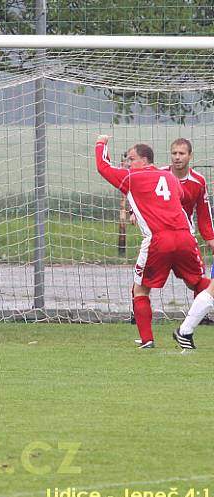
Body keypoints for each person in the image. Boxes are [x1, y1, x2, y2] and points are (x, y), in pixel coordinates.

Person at [95, 135, 209, 348]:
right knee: (198, 283)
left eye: (131, 159)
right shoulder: (171, 178)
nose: (128, 163)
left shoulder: (132, 177)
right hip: (185, 236)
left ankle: (147, 340)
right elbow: (182, 197)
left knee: (140, 290)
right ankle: (186, 330)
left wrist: (101, 143)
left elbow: (103, 167)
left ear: (144, 160)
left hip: (159, 239)